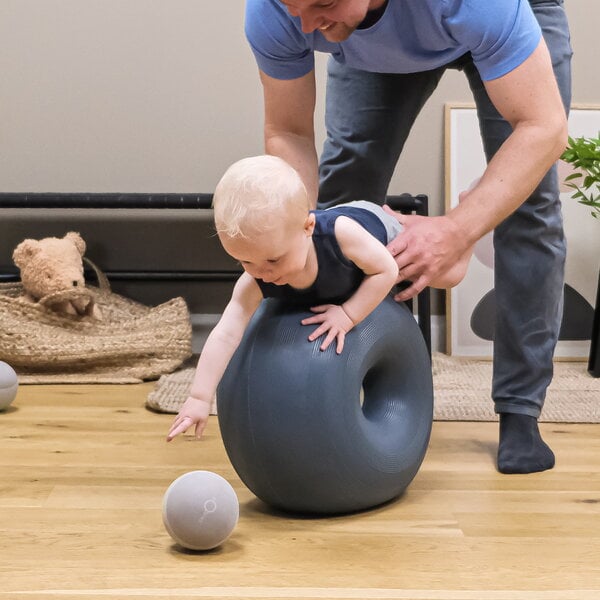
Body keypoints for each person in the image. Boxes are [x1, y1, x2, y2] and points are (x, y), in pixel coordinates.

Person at [244, 0, 572, 474]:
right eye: (297, 9)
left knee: (529, 205)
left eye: (324, 4)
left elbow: (544, 129)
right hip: (382, 35)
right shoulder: (278, 9)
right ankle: (323, 381)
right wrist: (294, 233)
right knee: (337, 212)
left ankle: (520, 411)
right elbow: (289, 132)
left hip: (502, 12)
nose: (308, 25)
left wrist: (456, 231)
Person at [167, 155, 467, 442]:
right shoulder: (257, 275)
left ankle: (462, 233)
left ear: (308, 228)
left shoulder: (342, 236)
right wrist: (199, 397)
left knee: (443, 274)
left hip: (371, 230)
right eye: (246, 262)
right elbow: (227, 332)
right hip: (328, 246)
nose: (263, 274)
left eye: (274, 260)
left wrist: (348, 315)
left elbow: (385, 271)